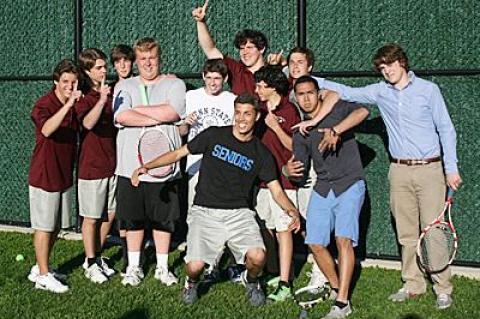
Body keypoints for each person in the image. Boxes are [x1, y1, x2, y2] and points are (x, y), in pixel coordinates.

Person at [294, 43, 462, 309]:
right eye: (382, 68)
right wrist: (302, 74)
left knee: (433, 232)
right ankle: (412, 284)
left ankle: (443, 288)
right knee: (406, 233)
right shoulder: (380, 91)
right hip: (398, 170)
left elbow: (446, 129)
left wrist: (451, 168)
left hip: (431, 169)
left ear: (402, 63)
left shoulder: (429, 90)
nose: (387, 72)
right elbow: (347, 92)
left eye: (391, 65)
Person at [131, 93, 301, 307]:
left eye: (247, 114)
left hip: (240, 213)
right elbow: (178, 153)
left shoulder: (262, 154)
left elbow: (276, 191)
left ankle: (251, 280)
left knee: (258, 257)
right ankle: (191, 283)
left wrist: (292, 210)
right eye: (237, 113)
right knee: (194, 266)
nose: (241, 119)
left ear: (257, 116)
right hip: (204, 211)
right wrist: (146, 167)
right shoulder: (213, 135)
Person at [291, 75, 369, 318]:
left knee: (343, 240)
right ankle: (337, 288)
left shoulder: (337, 109)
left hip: (349, 184)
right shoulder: (301, 133)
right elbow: (299, 171)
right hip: (323, 187)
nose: (305, 98)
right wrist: (287, 170)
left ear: (318, 94)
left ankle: (343, 303)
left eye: (310, 93)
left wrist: (335, 130)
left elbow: (364, 111)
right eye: (300, 94)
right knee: (314, 242)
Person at [113, 37, 186, 287]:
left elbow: (174, 112)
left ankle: (163, 268)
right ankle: (134, 267)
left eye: (152, 58)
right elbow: (121, 115)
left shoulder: (175, 84)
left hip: (165, 170)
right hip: (130, 168)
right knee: (132, 220)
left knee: (163, 221)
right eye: (143, 59)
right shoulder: (124, 86)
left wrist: (139, 113)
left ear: (159, 58)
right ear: (136, 60)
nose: (148, 63)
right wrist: (159, 115)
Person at [178, 58, 236, 281]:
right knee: (195, 214)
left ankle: (214, 263)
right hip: (195, 164)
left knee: (218, 216)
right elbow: (181, 131)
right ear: (203, 76)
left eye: (217, 78)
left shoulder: (231, 100)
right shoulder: (191, 97)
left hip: (221, 168)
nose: (213, 82)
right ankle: (194, 256)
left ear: (225, 79)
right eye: (209, 77)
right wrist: (186, 123)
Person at [27, 59, 81, 293]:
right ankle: (43, 275)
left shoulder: (74, 103)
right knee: (44, 227)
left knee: (57, 225)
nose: (70, 86)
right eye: (65, 81)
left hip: (64, 174)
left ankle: (41, 268)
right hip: (45, 174)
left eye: (73, 81)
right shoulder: (44, 104)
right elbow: (47, 130)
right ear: (56, 82)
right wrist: (68, 105)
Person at [253, 65, 300, 301]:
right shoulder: (259, 109)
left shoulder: (289, 110)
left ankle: (285, 283)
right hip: (263, 182)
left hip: (284, 183)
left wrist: (274, 126)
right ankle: (275, 271)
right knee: (266, 227)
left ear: (273, 87)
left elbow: (294, 146)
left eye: (262, 85)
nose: (257, 89)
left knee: (284, 231)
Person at [76, 48, 117, 284]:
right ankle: (90, 261)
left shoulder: (110, 92)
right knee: (91, 217)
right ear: (87, 71)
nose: (104, 70)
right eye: (99, 67)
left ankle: (96, 256)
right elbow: (88, 123)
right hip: (91, 166)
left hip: (112, 164)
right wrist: (101, 99)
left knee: (110, 214)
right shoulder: (83, 96)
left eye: (104, 66)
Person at [192, 0, 267, 95]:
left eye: (249, 47)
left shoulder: (273, 71)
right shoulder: (236, 70)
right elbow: (210, 50)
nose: (245, 52)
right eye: (242, 48)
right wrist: (201, 22)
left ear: (261, 49)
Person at [110, 43, 135, 274]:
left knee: (132, 210)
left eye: (126, 60)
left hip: (134, 154)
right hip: (113, 154)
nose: (123, 65)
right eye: (118, 62)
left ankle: (132, 258)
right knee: (120, 210)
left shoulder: (139, 85)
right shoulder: (108, 89)